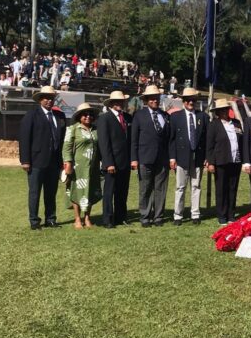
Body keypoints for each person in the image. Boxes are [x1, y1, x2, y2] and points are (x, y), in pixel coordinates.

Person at [18, 85, 67, 230]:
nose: (49, 100)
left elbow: (62, 140)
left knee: (51, 193)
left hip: (54, 162)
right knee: (35, 193)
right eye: (46, 98)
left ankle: (51, 219)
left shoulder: (59, 116)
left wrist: (62, 161)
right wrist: (25, 160)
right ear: (40, 99)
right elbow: (24, 138)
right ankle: (34, 221)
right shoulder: (31, 115)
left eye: (51, 98)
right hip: (36, 161)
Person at [130, 84, 170, 228]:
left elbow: (168, 139)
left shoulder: (165, 115)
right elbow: (134, 139)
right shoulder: (139, 115)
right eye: (151, 98)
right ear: (146, 100)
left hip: (162, 159)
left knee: (161, 189)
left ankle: (158, 216)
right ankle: (145, 216)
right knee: (145, 188)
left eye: (156, 98)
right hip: (144, 158)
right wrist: (134, 159)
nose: (155, 100)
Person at [170, 87, 209, 224]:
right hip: (181, 158)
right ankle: (178, 215)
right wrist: (172, 157)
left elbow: (207, 139)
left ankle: (195, 214)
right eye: (188, 100)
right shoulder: (175, 117)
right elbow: (172, 139)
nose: (190, 102)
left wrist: (207, 157)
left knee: (196, 186)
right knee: (180, 187)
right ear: (183, 101)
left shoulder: (203, 117)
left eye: (193, 100)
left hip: (198, 157)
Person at [62, 103, 102, 229]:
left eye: (90, 114)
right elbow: (67, 148)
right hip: (77, 166)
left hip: (93, 166)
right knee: (77, 191)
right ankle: (77, 219)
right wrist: (68, 163)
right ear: (79, 116)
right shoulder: (72, 129)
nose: (88, 116)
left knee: (90, 191)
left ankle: (87, 218)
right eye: (85, 114)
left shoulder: (96, 129)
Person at [96, 90, 132, 228]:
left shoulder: (127, 117)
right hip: (111, 162)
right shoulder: (104, 118)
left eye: (121, 101)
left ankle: (121, 217)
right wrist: (108, 163)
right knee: (109, 192)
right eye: (116, 102)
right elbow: (104, 143)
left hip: (125, 161)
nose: (119, 104)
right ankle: (108, 219)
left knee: (122, 191)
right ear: (111, 103)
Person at [206, 98, 243, 225]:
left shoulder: (236, 123)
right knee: (221, 189)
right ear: (217, 112)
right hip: (221, 161)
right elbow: (209, 145)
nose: (224, 112)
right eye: (221, 110)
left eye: (226, 109)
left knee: (233, 188)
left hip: (235, 161)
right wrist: (211, 162)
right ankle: (222, 215)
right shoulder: (213, 125)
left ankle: (231, 214)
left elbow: (241, 140)